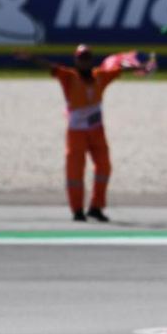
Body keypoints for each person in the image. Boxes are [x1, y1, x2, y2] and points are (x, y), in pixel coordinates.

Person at [15, 45, 148, 222]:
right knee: (75, 172)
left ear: (90, 60)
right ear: (76, 60)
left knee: (104, 167)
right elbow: (51, 67)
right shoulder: (69, 77)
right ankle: (77, 210)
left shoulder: (100, 75)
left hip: (96, 131)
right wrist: (31, 58)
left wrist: (140, 67)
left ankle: (96, 207)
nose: (83, 61)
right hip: (76, 132)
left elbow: (119, 69)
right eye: (80, 58)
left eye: (86, 58)